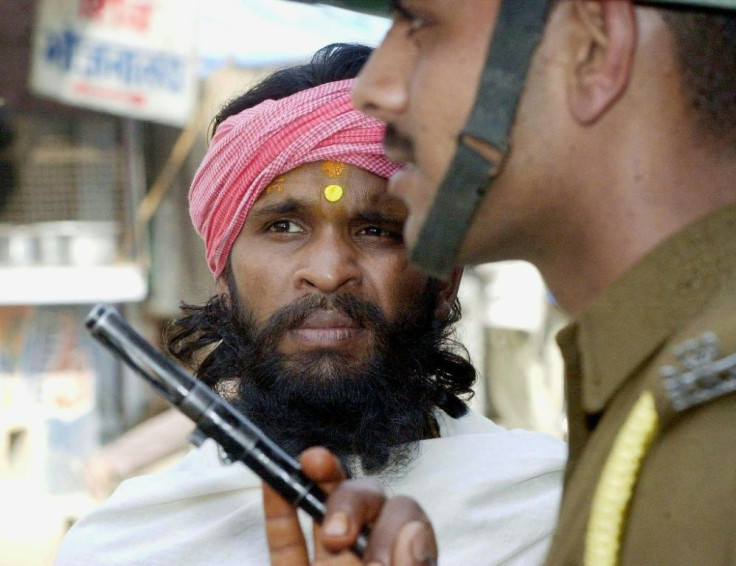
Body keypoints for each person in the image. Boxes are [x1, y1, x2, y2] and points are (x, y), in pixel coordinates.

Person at [53, 43, 566, 566]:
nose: (326, 272)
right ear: (223, 279)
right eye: (283, 227)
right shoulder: (128, 544)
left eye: (376, 230)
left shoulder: (553, 513)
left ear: (445, 280)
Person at [265, 2, 736, 565]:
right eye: (283, 227)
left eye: (419, 24)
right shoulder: (659, 392)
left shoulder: (710, 421)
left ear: (593, 48)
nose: (374, 88)